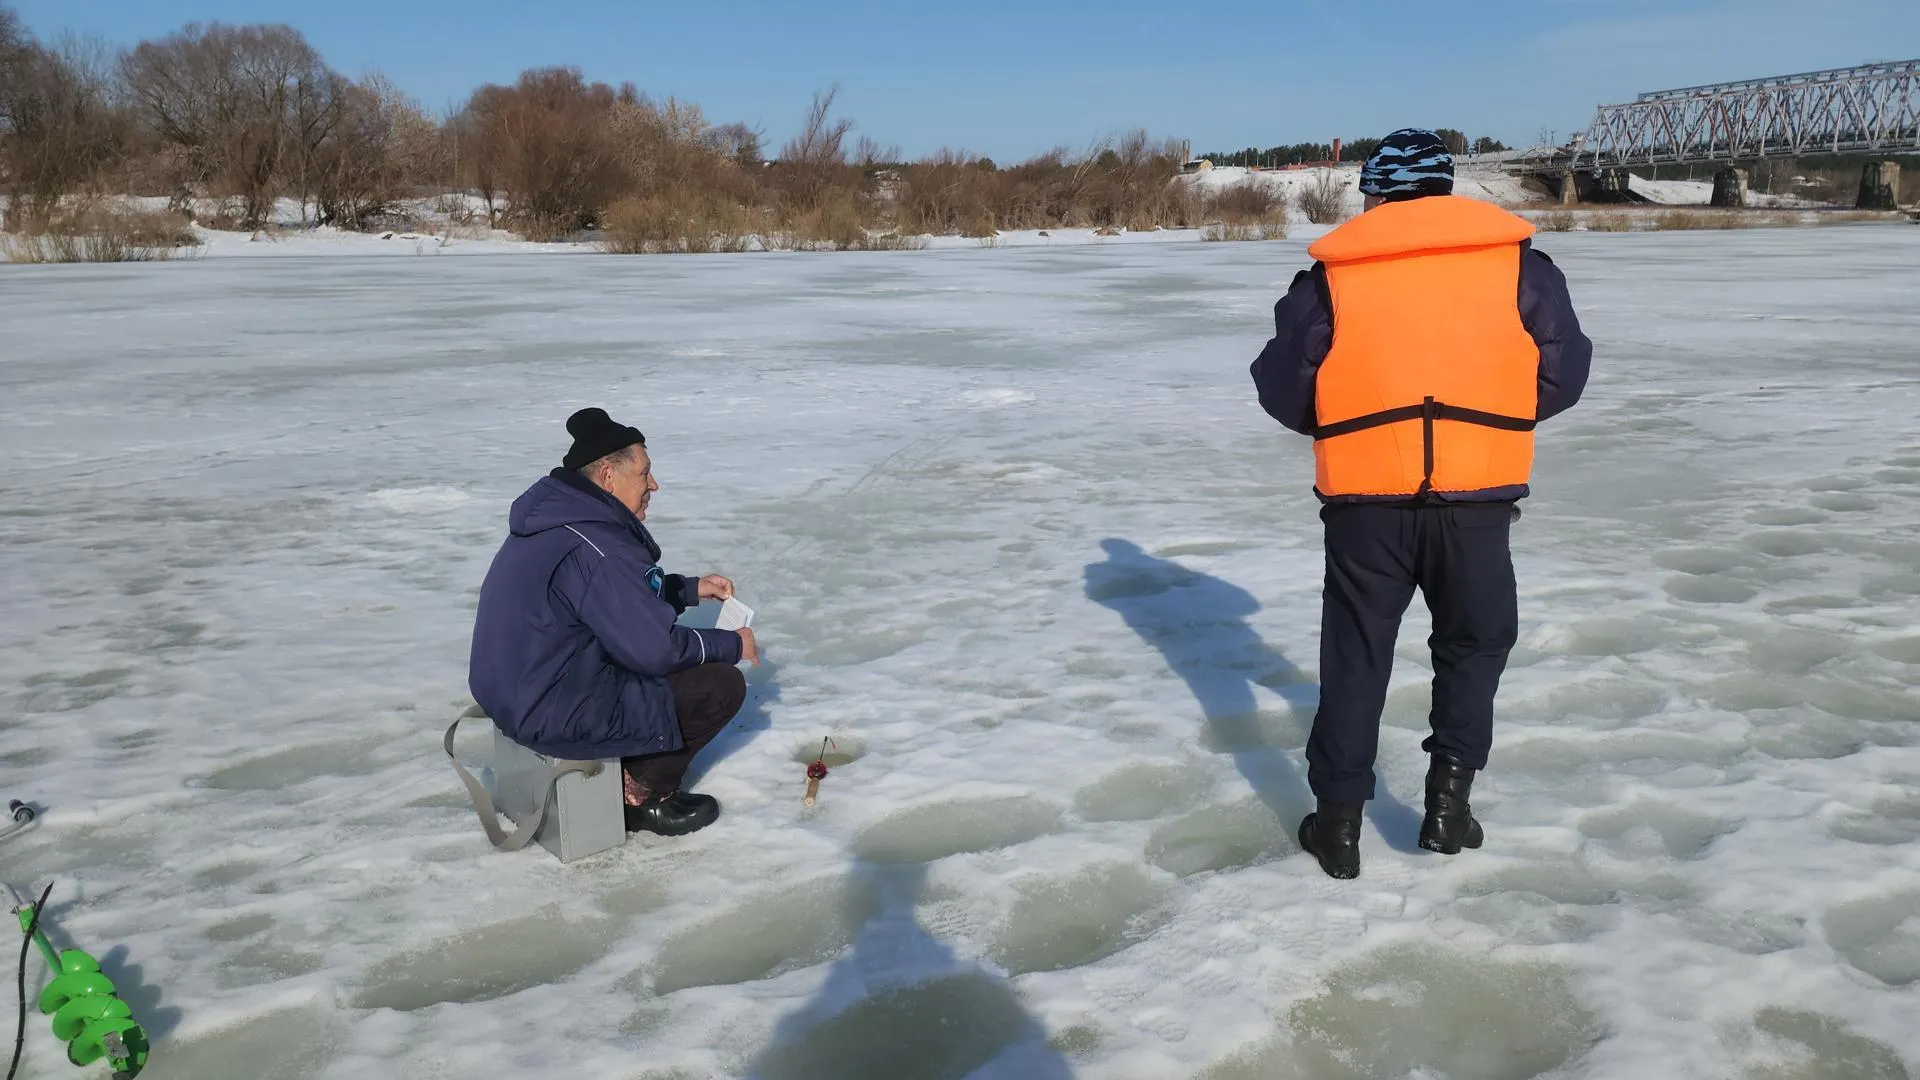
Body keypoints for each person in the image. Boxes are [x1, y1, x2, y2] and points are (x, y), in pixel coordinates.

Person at [1250, 129, 1592, 879]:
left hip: (1366, 503)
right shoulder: (1520, 270)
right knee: (1473, 645)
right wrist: (1486, 416)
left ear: (1373, 193)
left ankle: (1338, 829)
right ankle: (1447, 810)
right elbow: (1561, 375)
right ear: (1445, 188)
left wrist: (1358, 415)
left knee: (1355, 657)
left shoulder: (1331, 279)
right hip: (1477, 499)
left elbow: (1285, 388)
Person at [469, 407, 760, 838]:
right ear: (608, 476)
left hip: (516, 693)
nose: (654, 485)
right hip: (551, 710)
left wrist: (689, 589)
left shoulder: (559, 521)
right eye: (644, 474)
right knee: (719, 686)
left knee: (638, 652)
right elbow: (654, 648)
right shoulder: (598, 545)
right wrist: (732, 645)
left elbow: (610, 598)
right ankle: (642, 796)